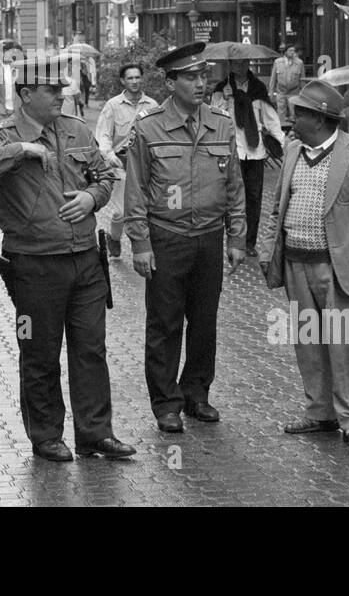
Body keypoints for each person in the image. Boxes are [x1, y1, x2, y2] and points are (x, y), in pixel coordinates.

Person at [0, 54, 134, 462]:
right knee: (38, 352)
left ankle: (95, 433)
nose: (60, 96)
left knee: (91, 350)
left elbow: (106, 175)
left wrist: (93, 197)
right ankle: (45, 436)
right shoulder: (2, 137)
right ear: (25, 94)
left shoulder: (75, 129)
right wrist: (20, 150)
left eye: (61, 90)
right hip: (34, 267)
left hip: (86, 262)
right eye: (51, 90)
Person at [256, 81, 349, 450]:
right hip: (297, 265)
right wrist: (268, 251)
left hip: (342, 269)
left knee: (345, 346)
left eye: (298, 113)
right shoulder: (292, 151)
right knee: (308, 344)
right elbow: (276, 207)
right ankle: (320, 413)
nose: (291, 118)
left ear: (318, 118)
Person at [124, 42, 246, 432]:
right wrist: (140, 243)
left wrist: (237, 237)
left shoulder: (222, 124)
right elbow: (136, 190)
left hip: (209, 238)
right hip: (167, 237)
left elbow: (234, 186)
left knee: (205, 322)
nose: (201, 83)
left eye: (203, 76)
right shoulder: (148, 127)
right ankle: (166, 404)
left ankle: (196, 394)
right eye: (191, 77)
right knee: (164, 324)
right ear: (171, 82)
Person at [215, 69, 286, 257]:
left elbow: (271, 119)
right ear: (231, 63)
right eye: (237, 61)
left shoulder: (257, 88)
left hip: (255, 151)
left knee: (254, 198)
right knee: (232, 198)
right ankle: (235, 239)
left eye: (244, 61)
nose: (241, 64)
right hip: (231, 151)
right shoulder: (222, 89)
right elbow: (214, 117)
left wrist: (284, 145)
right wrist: (224, 98)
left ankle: (249, 242)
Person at [93, 62, 157, 259]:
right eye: (130, 78)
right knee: (121, 212)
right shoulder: (113, 105)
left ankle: (146, 248)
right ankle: (114, 236)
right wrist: (110, 157)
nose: (135, 81)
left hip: (146, 166)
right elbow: (103, 135)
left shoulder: (152, 105)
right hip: (121, 165)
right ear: (123, 81)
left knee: (148, 209)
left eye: (137, 77)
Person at [269, 44, 304, 125]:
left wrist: (303, 93)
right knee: (281, 114)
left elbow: (302, 79)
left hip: (294, 92)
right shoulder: (277, 62)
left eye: (293, 51)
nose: (292, 53)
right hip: (281, 92)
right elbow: (273, 79)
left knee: (294, 114)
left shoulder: (299, 63)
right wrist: (271, 93)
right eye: (290, 50)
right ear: (285, 52)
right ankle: (282, 131)